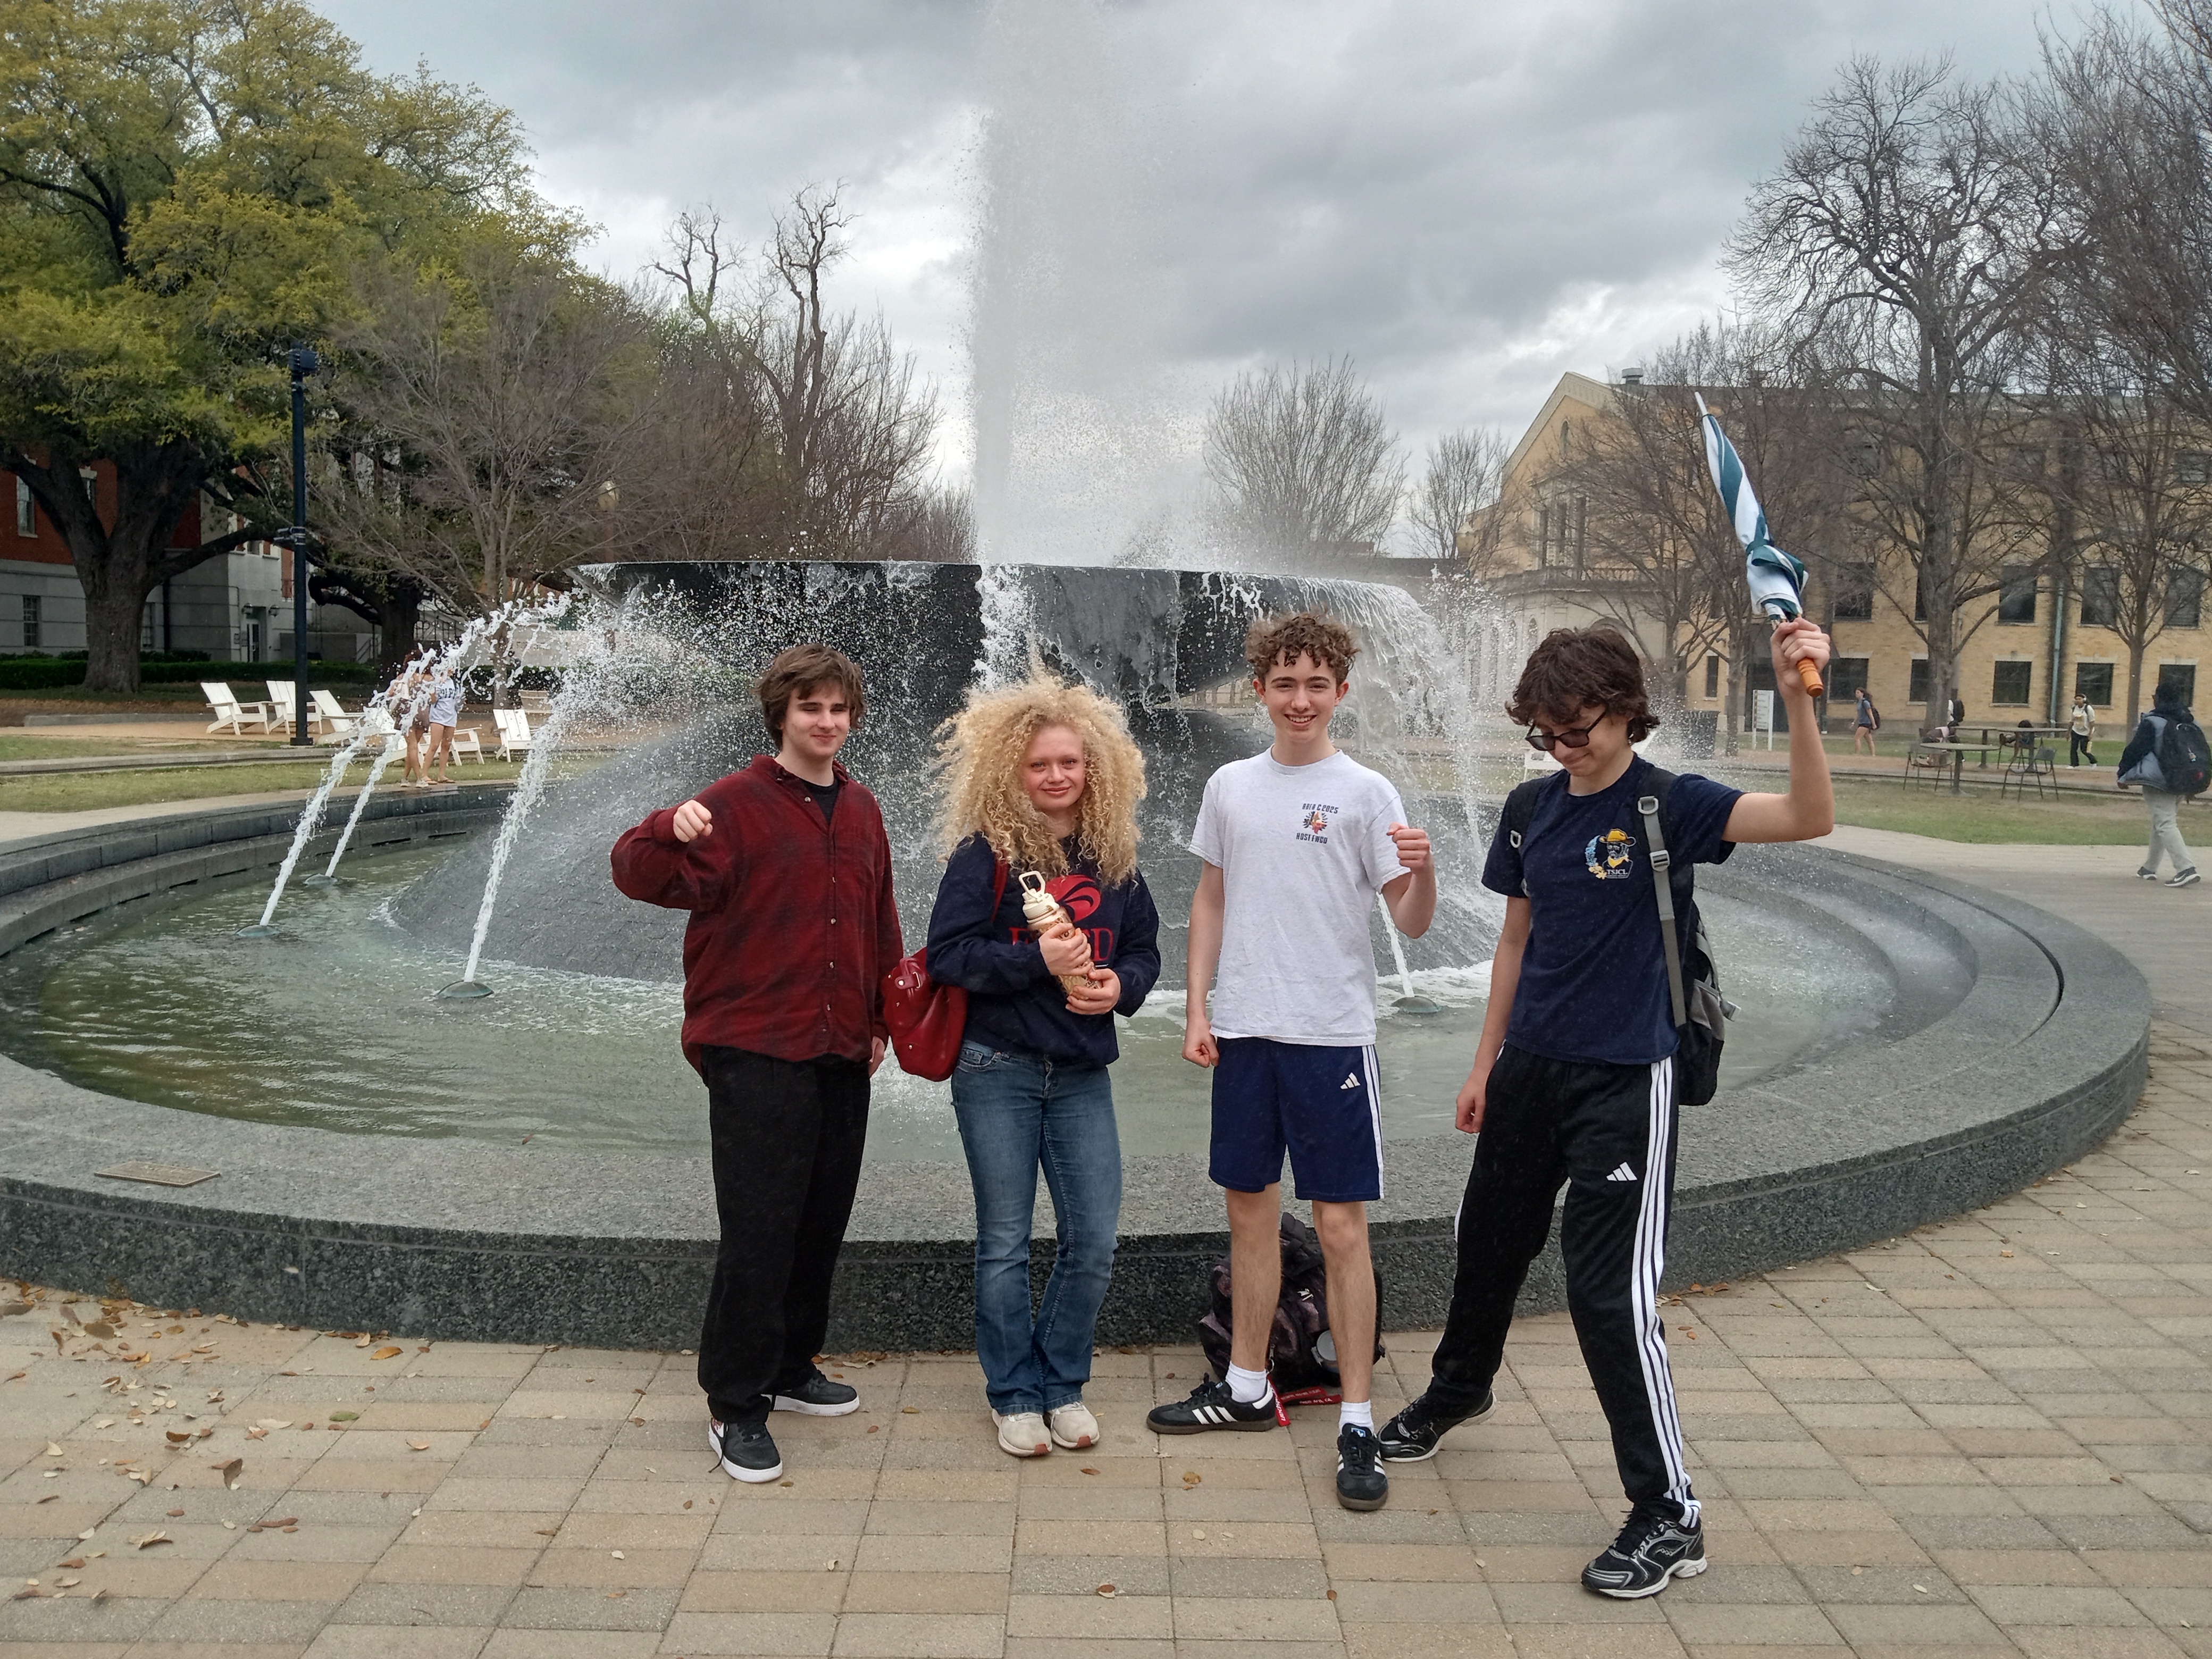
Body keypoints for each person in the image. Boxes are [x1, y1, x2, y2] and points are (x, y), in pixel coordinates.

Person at [1378, 619, 1833, 1601]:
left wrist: (1799, 697)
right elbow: (1514, 942)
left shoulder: (1672, 803)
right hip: (1529, 1068)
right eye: (1544, 731)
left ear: (1626, 709)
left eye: (1577, 726)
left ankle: (1669, 1512)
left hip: (1627, 1074)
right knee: (1486, 1241)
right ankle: (1460, 1391)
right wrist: (1482, 1065)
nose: (1561, 745)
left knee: (1607, 1294)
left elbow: (1806, 814)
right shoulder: (1532, 805)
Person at [1147, 610, 1436, 1516]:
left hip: (1331, 1037)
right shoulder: (1231, 786)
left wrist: (1422, 872)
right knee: (1249, 1218)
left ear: (1340, 691)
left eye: (1317, 684)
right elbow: (1210, 900)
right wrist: (1199, 1006)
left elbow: (1413, 922)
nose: (1300, 699)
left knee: (1342, 1228)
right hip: (1246, 1034)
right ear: (1260, 689)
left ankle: (1357, 1416)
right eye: (1284, 683)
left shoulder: (1367, 792)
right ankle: (1245, 1386)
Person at [609, 643, 903, 1484]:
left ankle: (790, 1366)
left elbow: (880, 918)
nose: (827, 722)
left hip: (842, 1045)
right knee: (760, 1226)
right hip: (756, 1047)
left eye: (839, 709)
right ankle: (735, 1403)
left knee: (820, 1216)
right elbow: (635, 874)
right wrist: (667, 826)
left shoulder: (861, 807)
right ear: (782, 715)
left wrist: (882, 1016)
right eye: (811, 708)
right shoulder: (733, 804)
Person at [925, 677, 1162, 1459]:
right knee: (1005, 1241)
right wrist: (1036, 959)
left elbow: (1144, 951)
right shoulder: (984, 855)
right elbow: (951, 957)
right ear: (1010, 771)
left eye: (1070, 761)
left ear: (1095, 767)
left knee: (1093, 1237)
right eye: (1039, 765)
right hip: (997, 1067)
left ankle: (1062, 1382)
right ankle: (1014, 1394)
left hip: (1082, 1072)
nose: (1057, 776)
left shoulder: (1114, 856)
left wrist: (1118, 988)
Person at [2118, 682, 2200, 887]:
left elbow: (2135, 750)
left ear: (2159, 698)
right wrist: (2193, 785)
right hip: (2182, 779)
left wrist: (2122, 774)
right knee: (2161, 821)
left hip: (2159, 780)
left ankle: (2185, 868)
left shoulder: (2153, 721)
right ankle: (2150, 867)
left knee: (2165, 823)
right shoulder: (2188, 721)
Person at [2070, 693, 2097, 768]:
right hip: (2076, 730)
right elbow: (2071, 721)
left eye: (2080, 699)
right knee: (2073, 748)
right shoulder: (2074, 708)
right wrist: (2068, 731)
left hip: (2086, 731)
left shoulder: (2088, 709)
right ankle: (2074, 764)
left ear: (2084, 700)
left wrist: (2090, 733)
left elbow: (2092, 722)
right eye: (2077, 699)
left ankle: (2093, 761)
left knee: (2084, 750)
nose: (2078, 701)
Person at [1851, 686, 1879, 757]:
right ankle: (1873, 755)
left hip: (1866, 723)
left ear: (1862, 693)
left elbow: (1870, 714)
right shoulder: (1859, 703)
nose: (1856, 694)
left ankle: (1857, 754)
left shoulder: (1865, 702)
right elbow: (1858, 714)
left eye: (1858, 693)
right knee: (1869, 740)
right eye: (1856, 693)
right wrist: (1854, 722)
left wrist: (1874, 724)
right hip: (1861, 722)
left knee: (1857, 738)